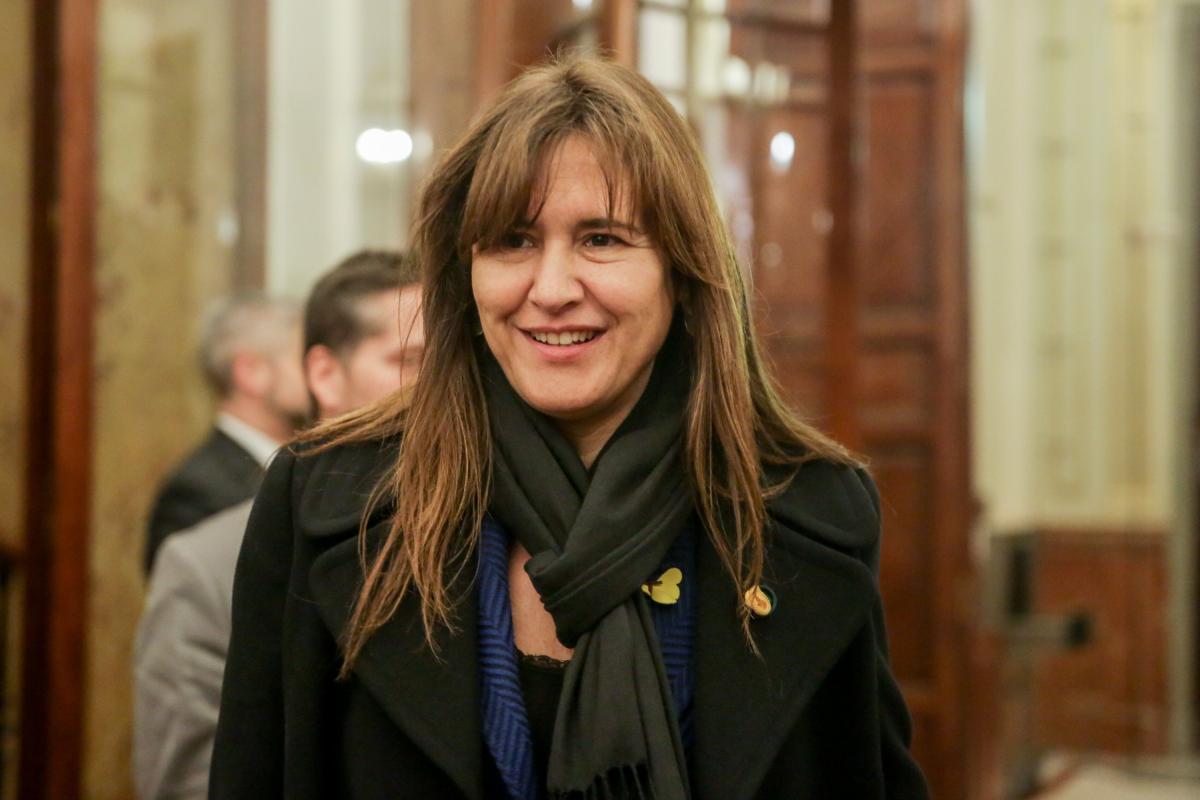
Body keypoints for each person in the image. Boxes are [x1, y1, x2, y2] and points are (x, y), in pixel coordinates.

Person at [211, 56, 930, 800]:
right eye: (513, 241)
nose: (551, 290)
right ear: (464, 272)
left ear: (682, 271)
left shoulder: (807, 509)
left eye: (602, 239)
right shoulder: (325, 500)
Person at [133, 251, 423, 800]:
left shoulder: (490, 535)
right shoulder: (207, 557)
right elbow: (193, 777)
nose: (440, 385)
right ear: (325, 374)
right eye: (410, 359)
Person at [143, 294, 309, 573]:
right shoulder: (198, 491)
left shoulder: (304, 464)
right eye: (303, 359)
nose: (318, 374)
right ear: (250, 372)